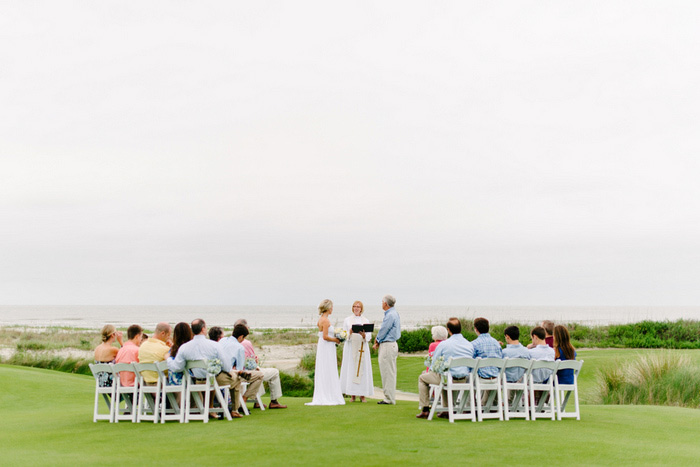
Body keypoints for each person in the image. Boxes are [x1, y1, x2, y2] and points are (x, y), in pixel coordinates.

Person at [169, 319, 244, 419]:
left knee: (223, 376)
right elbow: (226, 366)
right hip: (214, 381)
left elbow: (177, 367)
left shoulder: (184, 347)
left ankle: (213, 408)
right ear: (203, 329)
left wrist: (169, 359)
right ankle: (234, 409)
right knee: (237, 378)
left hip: (196, 381)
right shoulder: (214, 345)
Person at [416, 318, 474, 419]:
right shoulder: (469, 345)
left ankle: (425, 409)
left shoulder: (444, 344)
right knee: (444, 376)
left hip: (448, 378)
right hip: (464, 379)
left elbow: (434, 364)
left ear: (449, 330)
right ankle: (447, 409)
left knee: (422, 378)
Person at [234, 319, 287, 409]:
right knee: (274, 372)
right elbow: (251, 363)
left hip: (235, 373)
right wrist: (255, 360)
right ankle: (274, 401)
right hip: (246, 374)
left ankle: (257, 401)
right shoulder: (246, 343)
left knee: (257, 370)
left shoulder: (228, 341)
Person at [305, 299, 345, 406]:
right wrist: (336, 340)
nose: (332, 309)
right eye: (331, 307)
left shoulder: (320, 319)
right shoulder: (326, 321)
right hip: (327, 347)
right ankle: (329, 395)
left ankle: (327, 392)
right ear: (328, 308)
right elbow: (325, 336)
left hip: (324, 347)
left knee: (325, 367)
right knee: (328, 367)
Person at [221, 324, 265, 411]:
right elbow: (240, 369)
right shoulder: (239, 347)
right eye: (244, 338)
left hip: (218, 374)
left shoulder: (222, 340)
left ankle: (241, 400)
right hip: (230, 376)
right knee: (260, 375)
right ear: (241, 337)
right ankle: (244, 399)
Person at [339, 301, 373, 402]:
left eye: (358, 307)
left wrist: (364, 335)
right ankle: (352, 394)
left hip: (362, 348)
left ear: (361, 309)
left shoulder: (365, 320)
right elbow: (344, 335)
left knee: (362, 371)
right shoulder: (347, 320)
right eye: (354, 306)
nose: (356, 308)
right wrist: (349, 333)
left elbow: (369, 335)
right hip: (351, 348)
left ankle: (362, 395)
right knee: (352, 369)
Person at [373, 294, 401, 405]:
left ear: (385, 303)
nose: (381, 304)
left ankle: (389, 398)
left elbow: (384, 329)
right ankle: (389, 396)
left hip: (388, 345)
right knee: (390, 371)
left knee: (387, 372)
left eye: (382, 302)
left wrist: (377, 340)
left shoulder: (390, 315)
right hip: (391, 344)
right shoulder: (394, 313)